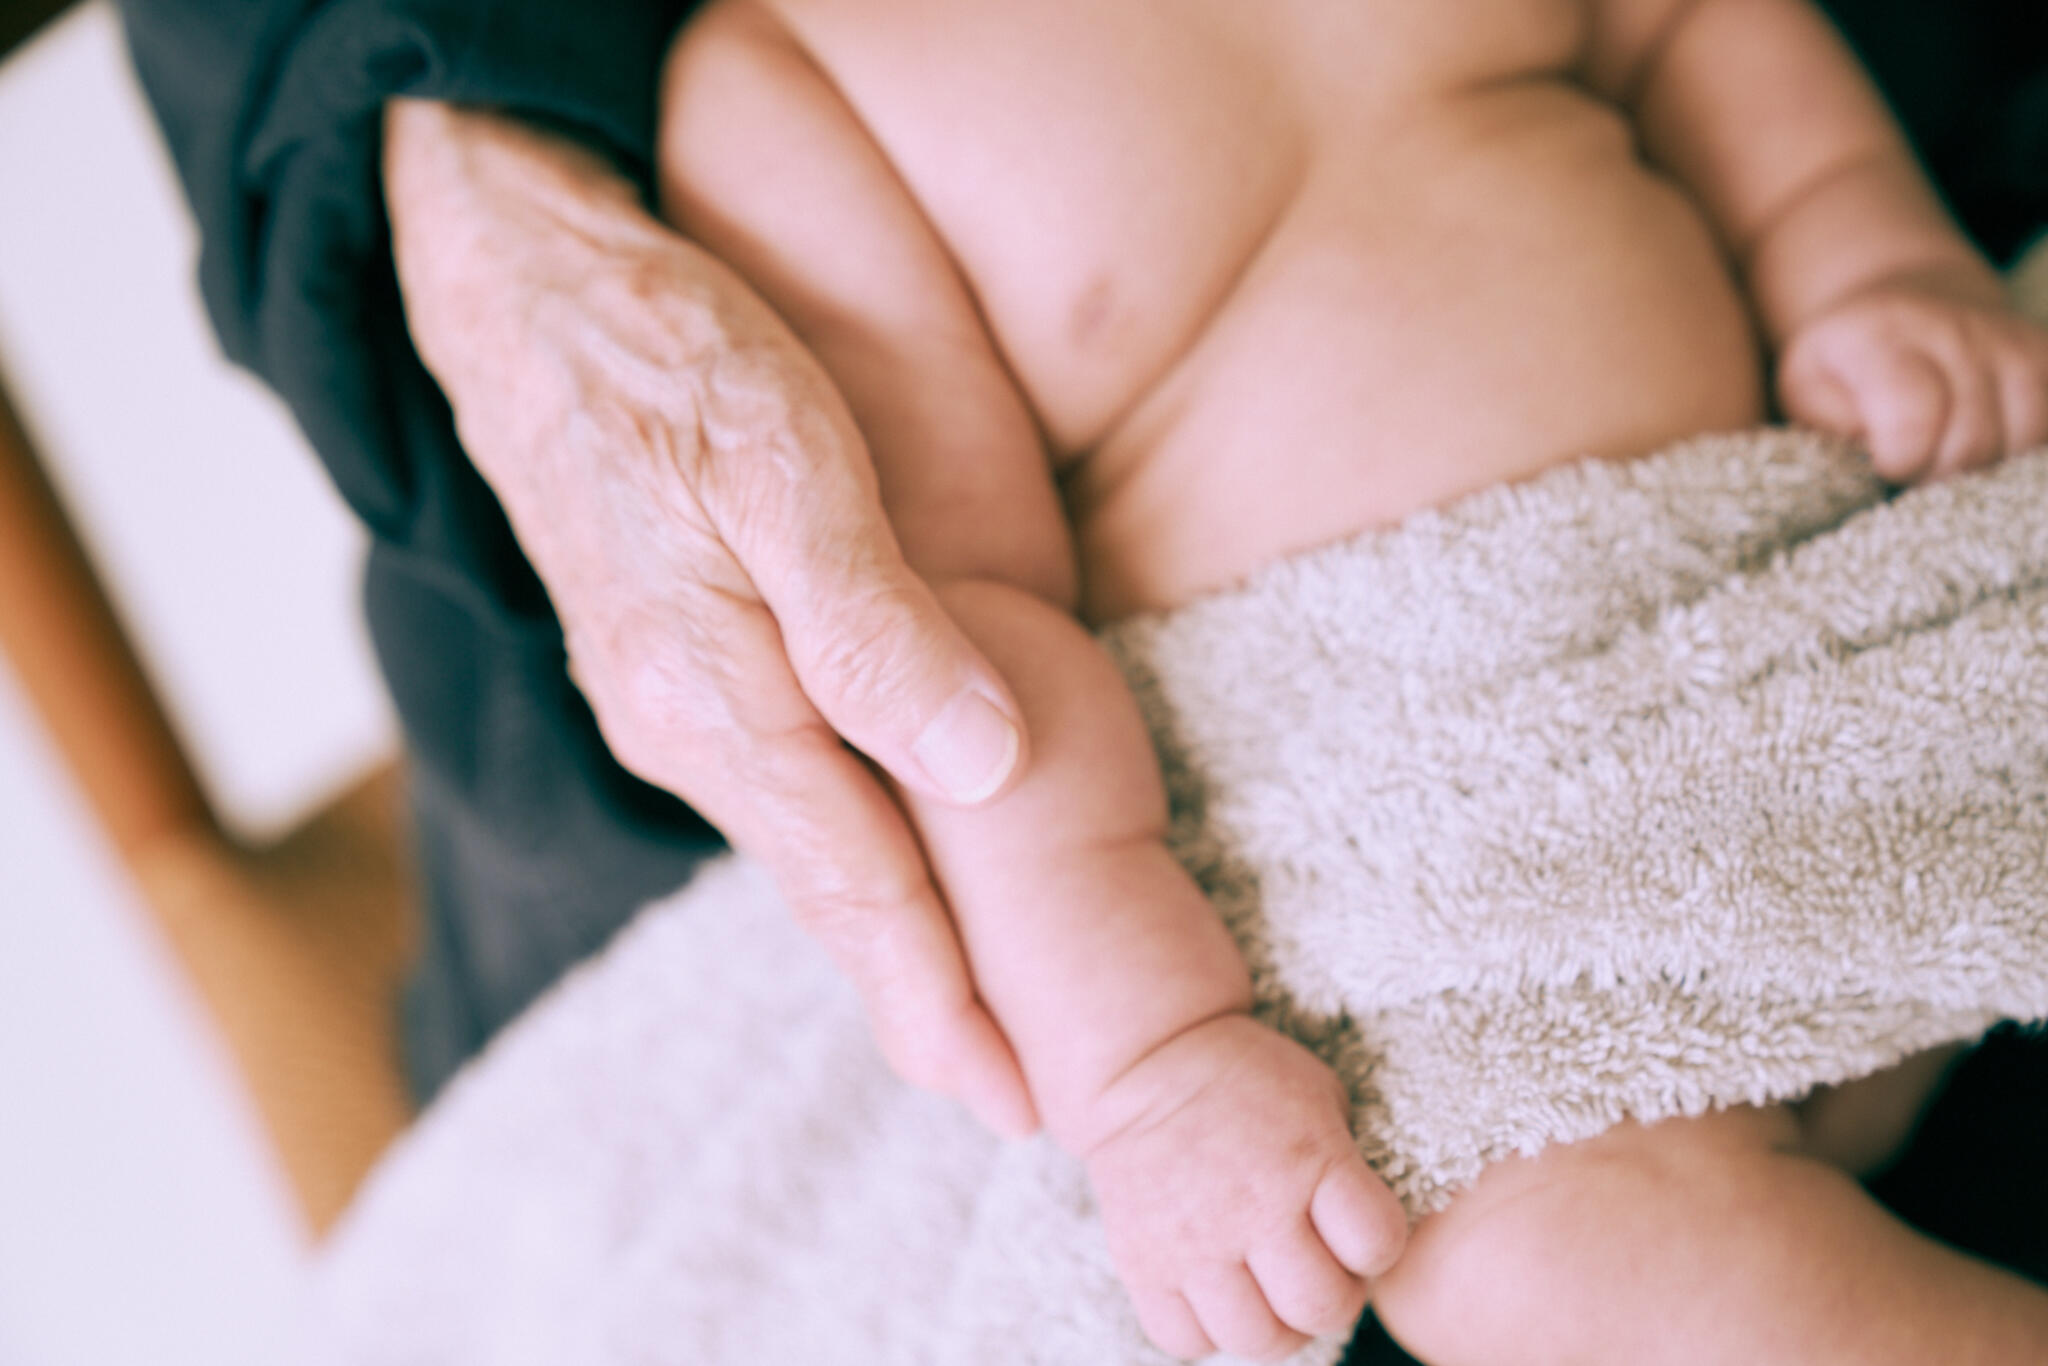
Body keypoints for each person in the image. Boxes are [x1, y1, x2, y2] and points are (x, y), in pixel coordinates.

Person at [641, 1, 2048, 1362]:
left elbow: (1691, 30)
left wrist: (1866, 255)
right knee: (1522, 1254)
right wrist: (1153, 1061)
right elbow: (962, 650)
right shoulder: (803, 81)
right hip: (1449, 839)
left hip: (1816, 629)